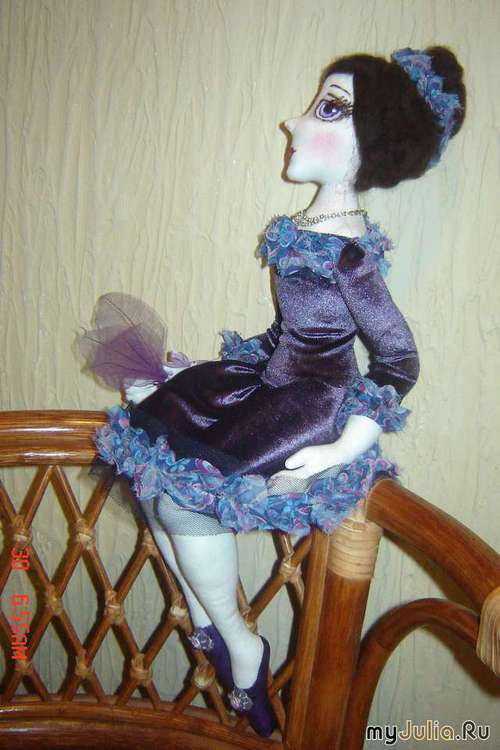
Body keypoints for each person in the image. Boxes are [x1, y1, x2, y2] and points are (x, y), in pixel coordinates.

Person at [80, 46, 465, 736]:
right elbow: (291, 333)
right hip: (273, 381)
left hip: (311, 406)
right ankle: (210, 622)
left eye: (328, 109)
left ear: (369, 139)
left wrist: (346, 443)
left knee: (183, 494)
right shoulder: (304, 231)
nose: (294, 123)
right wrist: (191, 374)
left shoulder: (350, 252)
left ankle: (240, 643)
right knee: (152, 465)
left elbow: (397, 357)